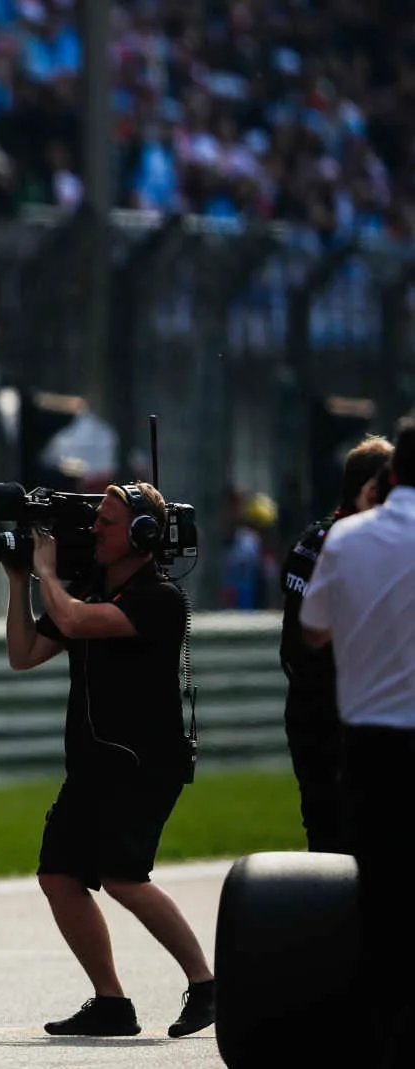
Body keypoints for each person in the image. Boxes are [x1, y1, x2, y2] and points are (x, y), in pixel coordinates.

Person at [3, 481, 215, 1039]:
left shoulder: (158, 600)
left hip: (145, 763)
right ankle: (111, 1003)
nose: (95, 530)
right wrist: (18, 582)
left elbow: (73, 622)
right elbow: (24, 655)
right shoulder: (93, 590)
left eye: (108, 522)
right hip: (94, 765)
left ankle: (206, 984)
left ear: (142, 536)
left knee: (123, 877)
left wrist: (47, 573)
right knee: (58, 875)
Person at [299, 418, 415, 1067]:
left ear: (392, 474)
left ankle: (381, 1027)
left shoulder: (345, 537)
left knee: (379, 887)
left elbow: (313, 631)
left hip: (370, 744)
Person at [278, 435, 393, 854]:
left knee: (327, 833)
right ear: (372, 489)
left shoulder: (312, 538)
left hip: (310, 704)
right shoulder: (350, 543)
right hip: (339, 711)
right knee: (353, 833)